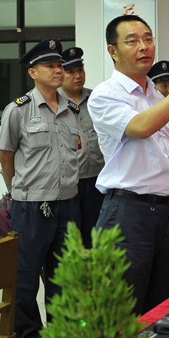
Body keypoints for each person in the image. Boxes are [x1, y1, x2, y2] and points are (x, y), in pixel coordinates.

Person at [88, 15, 169, 314]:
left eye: (148, 39)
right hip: (128, 213)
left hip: (166, 211)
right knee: (124, 308)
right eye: (132, 41)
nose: (143, 46)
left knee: (162, 305)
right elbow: (142, 127)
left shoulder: (155, 95)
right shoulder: (105, 95)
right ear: (112, 51)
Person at [0, 39, 81, 338]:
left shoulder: (71, 108)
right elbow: (6, 156)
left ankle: (60, 333)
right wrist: (19, 192)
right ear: (33, 72)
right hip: (31, 206)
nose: (58, 70)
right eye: (50, 66)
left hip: (68, 203)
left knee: (63, 275)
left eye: (60, 65)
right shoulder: (18, 110)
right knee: (26, 276)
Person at [59, 46, 105, 249]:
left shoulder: (96, 99)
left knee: (95, 234)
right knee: (69, 236)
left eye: (80, 70)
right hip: (68, 181)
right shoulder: (54, 102)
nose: (77, 76)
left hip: (97, 178)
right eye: (71, 72)